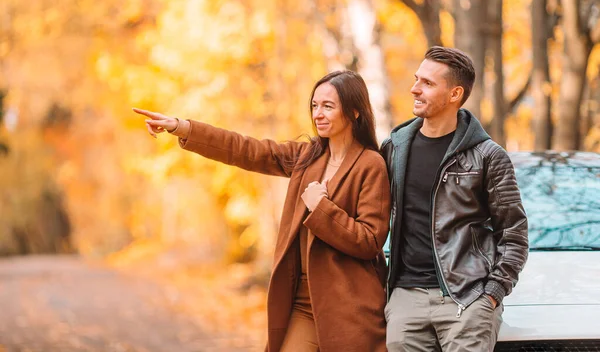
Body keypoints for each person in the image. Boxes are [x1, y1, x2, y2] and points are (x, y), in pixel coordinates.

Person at [133, 70, 390, 352]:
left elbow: (369, 241)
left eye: (328, 106)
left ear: (354, 112)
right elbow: (246, 149)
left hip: (349, 304)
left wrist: (321, 207)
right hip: (303, 303)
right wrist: (182, 127)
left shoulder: (371, 164)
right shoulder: (307, 157)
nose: (318, 114)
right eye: (314, 106)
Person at [381, 46, 529, 352]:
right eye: (416, 79)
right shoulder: (394, 148)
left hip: (466, 297)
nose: (414, 88)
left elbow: (514, 233)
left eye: (428, 83)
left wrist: (491, 293)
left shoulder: (488, 156)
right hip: (406, 298)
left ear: (454, 94)